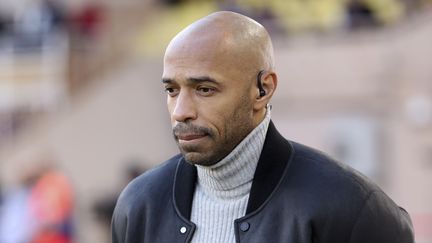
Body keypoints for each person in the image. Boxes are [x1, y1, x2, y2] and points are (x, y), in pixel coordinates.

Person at [112, 11, 414, 243]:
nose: (181, 112)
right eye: (172, 90)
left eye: (204, 89)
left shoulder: (350, 206)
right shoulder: (140, 204)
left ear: (263, 89)